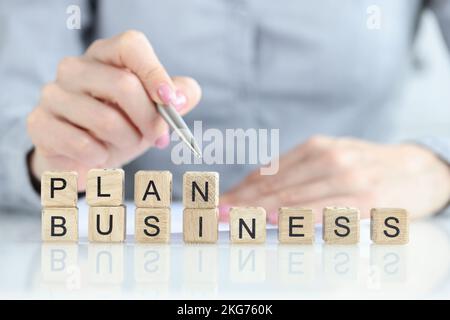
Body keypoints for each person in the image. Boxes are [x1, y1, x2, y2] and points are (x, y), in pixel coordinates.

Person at [0, 0, 449, 223]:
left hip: (353, 249)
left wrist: (437, 167)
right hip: (127, 257)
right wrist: (46, 158)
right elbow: (13, 108)